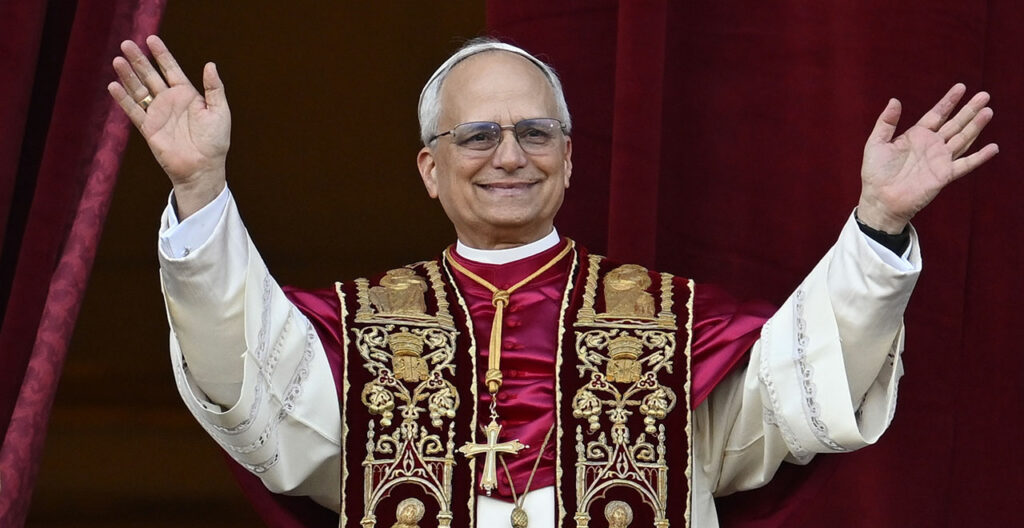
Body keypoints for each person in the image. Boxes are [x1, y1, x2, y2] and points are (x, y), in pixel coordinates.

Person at [108, 35, 997, 528]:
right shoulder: (359, 328)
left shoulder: (671, 323)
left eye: (535, 134)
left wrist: (878, 224)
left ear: (569, 161)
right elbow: (244, 375)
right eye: (478, 135)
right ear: (427, 166)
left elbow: (800, 386)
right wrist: (200, 190)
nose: (509, 156)